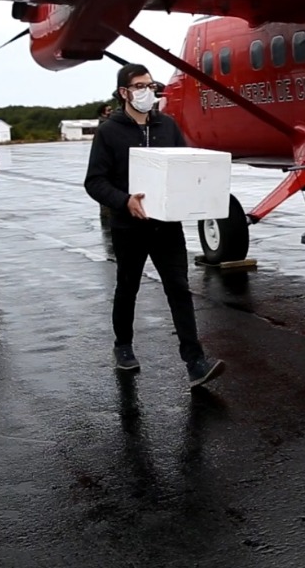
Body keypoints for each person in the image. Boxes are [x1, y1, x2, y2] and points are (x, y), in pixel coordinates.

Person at [84, 64, 225, 388]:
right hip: (128, 226)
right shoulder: (109, 131)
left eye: (150, 84)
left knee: (179, 288)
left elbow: (184, 168)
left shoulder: (168, 126)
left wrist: (201, 194)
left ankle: (195, 362)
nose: (147, 91)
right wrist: (124, 201)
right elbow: (94, 182)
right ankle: (123, 346)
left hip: (166, 226)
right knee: (128, 287)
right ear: (124, 93)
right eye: (139, 86)